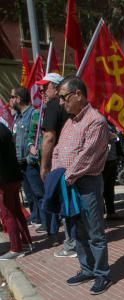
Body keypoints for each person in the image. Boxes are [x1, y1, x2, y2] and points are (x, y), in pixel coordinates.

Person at [52, 76, 111, 295]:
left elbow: (87, 157)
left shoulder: (96, 121)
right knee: (78, 230)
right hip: (69, 183)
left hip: (86, 183)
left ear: (78, 95)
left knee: (95, 230)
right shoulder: (70, 122)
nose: (61, 102)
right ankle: (86, 269)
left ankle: (102, 273)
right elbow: (58, 150)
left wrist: (66, 177)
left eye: (64, 97)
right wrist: (57, 172)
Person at [36, 72, 77, 257]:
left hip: (61, 163)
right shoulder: (62, 107)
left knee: (66, 203)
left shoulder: (53, 106)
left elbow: (49, 137)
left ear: (56, 86)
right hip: (71, 160)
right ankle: (74, 240)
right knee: (71, 202)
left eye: (46, 87)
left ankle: (72, 243)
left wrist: (44, 166)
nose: (42, 91)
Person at [11, 87, 45, 231]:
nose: (10, 100)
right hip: (20, 162)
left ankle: (46, 220)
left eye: (12, 97)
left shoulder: (34, 114)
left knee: (39, 193)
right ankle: (35, 216)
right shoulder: (17, 116)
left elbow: (38, 138)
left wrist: (32, 157)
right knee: (29, 193)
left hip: (30, 162)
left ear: (18, 99)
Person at [0, 122, 33, 260]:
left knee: (8, 213)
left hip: (4, 179)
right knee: (16, 211)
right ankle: (26, 242)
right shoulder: (4, 128)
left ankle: (15, 248)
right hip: (13, 176)